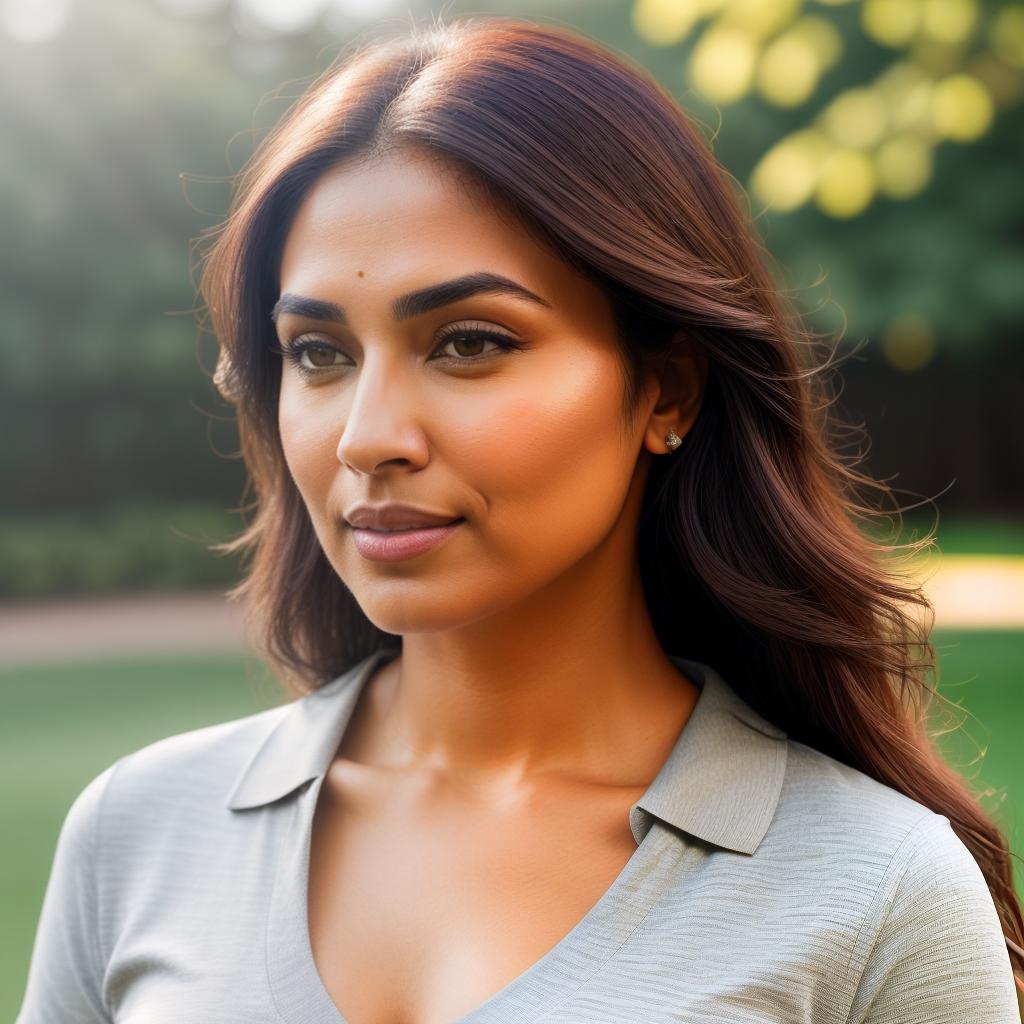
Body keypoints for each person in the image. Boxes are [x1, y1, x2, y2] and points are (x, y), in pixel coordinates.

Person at [16, 14, 1023, 1024]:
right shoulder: (137, 835)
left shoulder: (878, 894)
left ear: (666, 388)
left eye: (467, 342)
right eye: (319, 354)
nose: (369, 437)